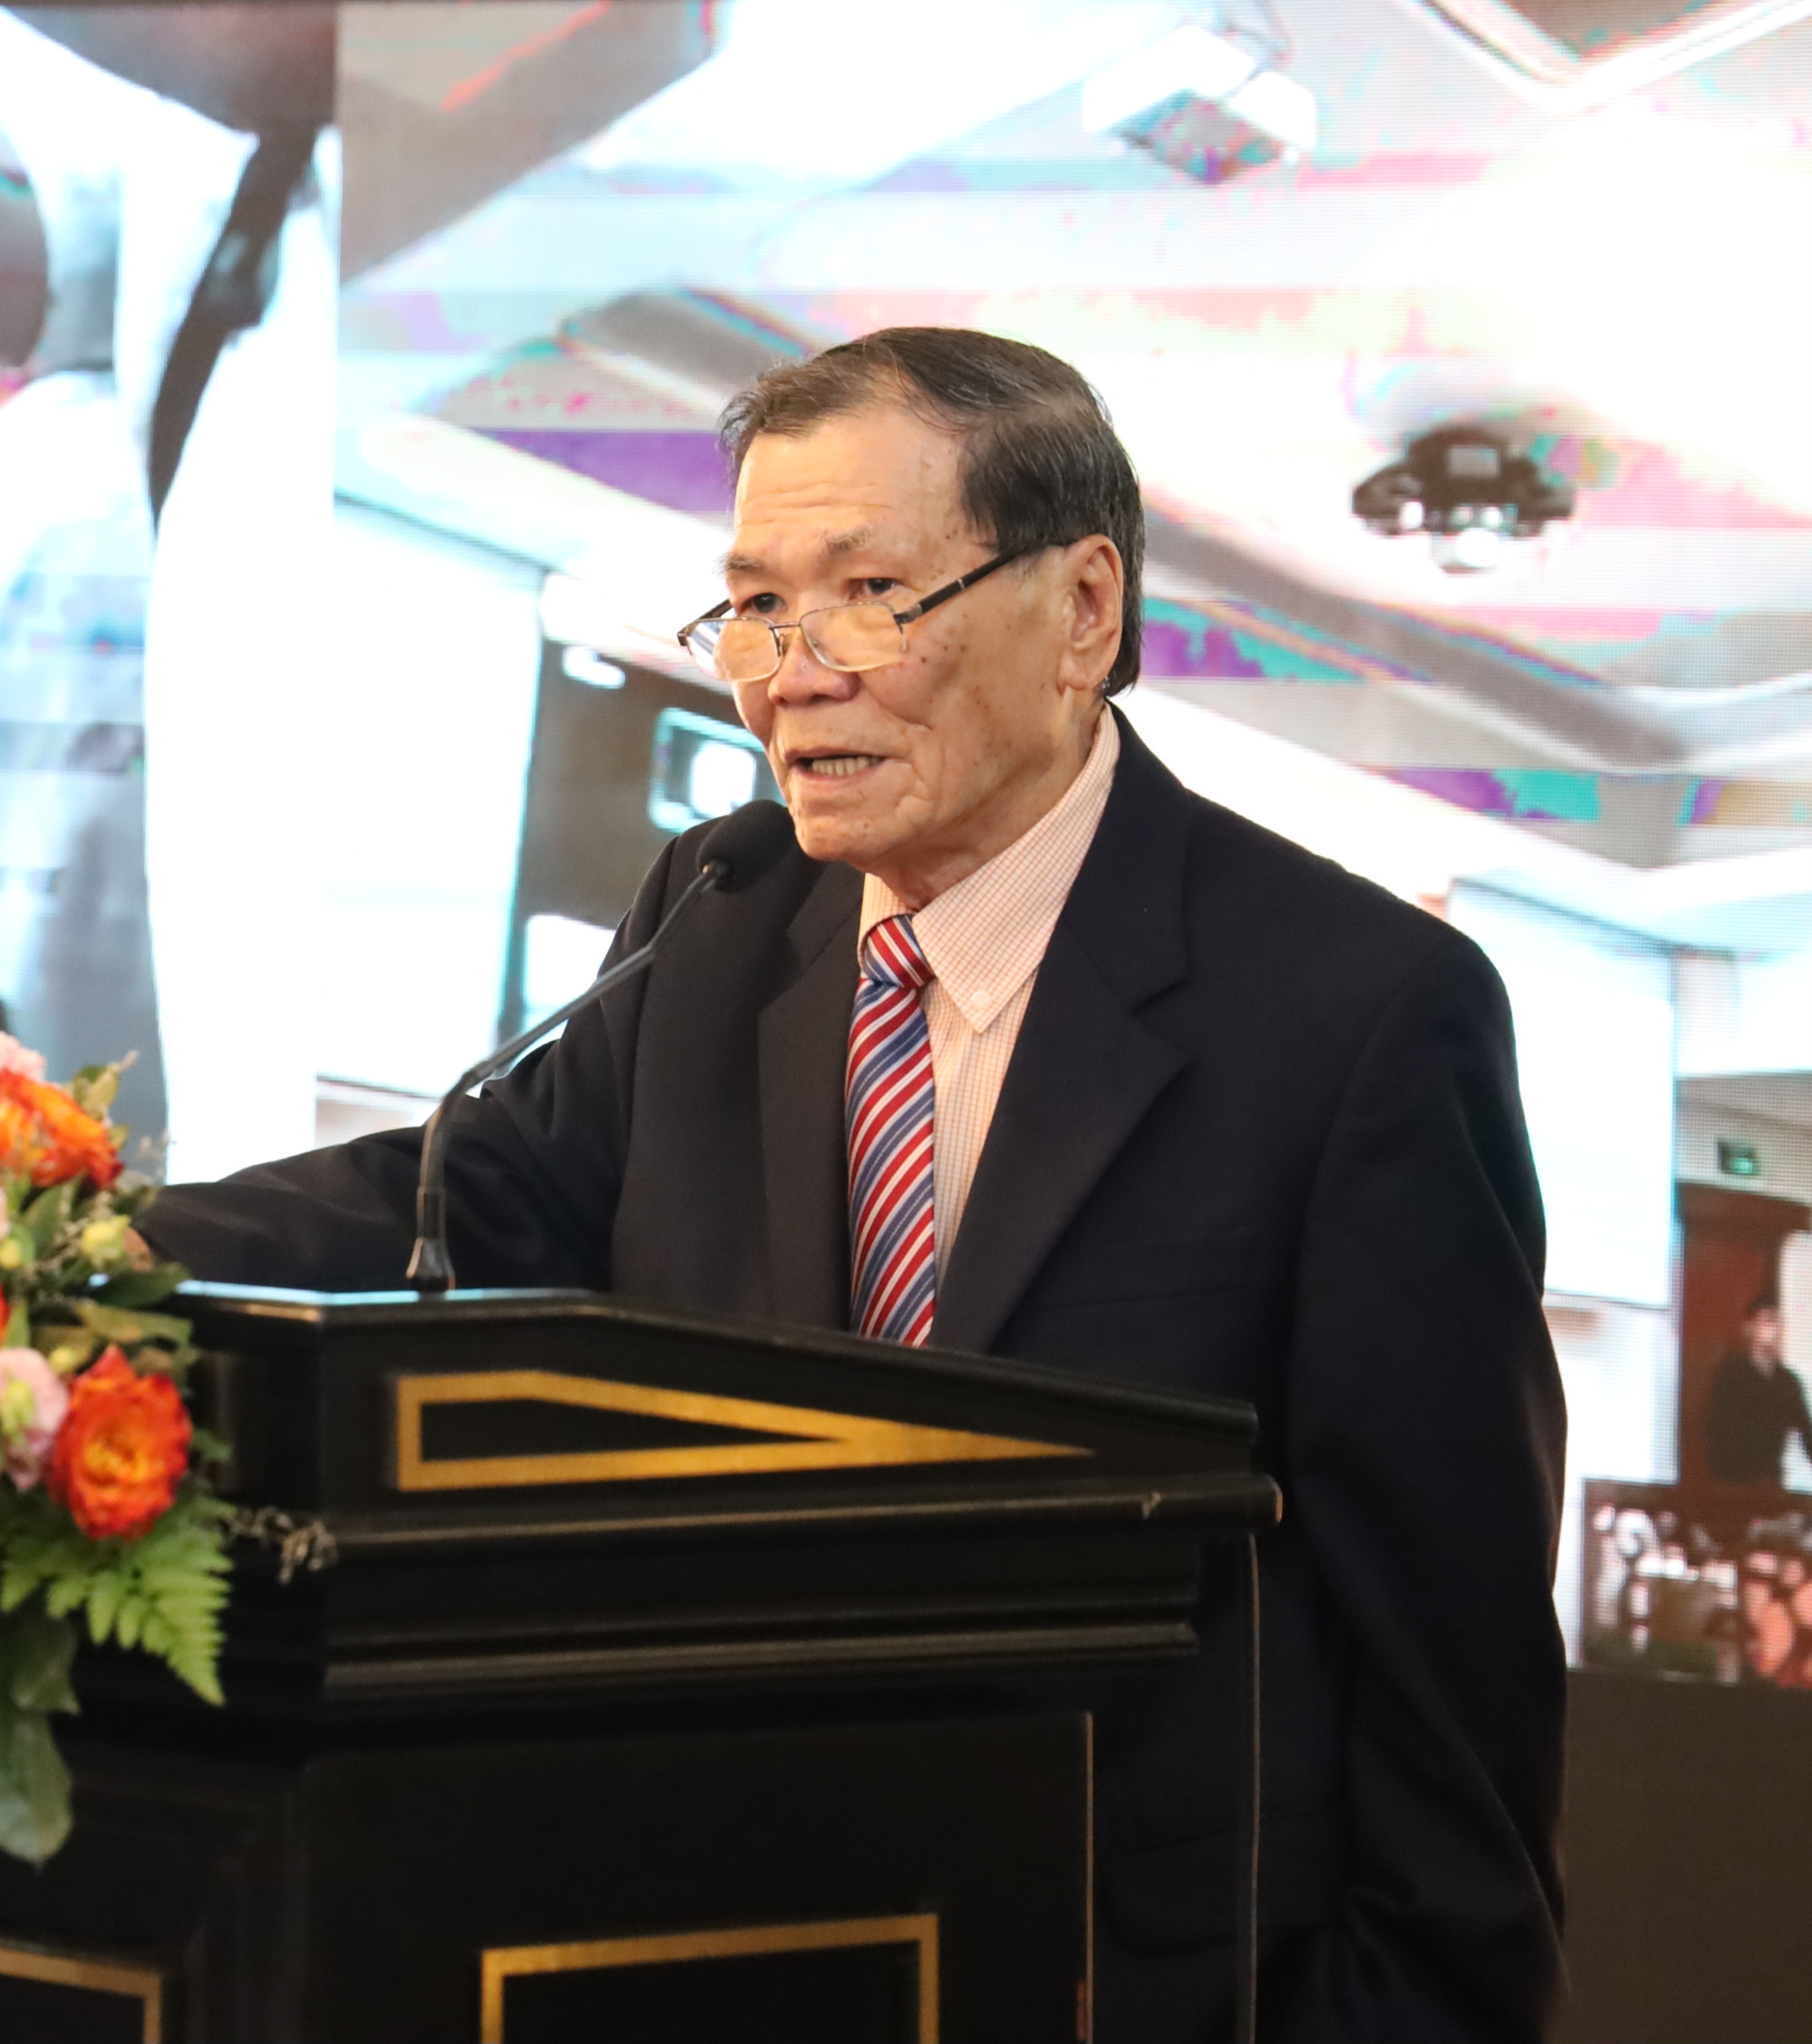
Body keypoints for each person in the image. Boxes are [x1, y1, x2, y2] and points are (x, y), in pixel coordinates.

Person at [142, 328, 1567, 2041]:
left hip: (1137, 1980)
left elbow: (1450, 1664)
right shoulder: (722, 914)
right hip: (724, 1942)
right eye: (753, 605)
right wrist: (56, 1227)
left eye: (867, 596)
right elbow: (450, 1200)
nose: (785, 676)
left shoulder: (1352, 1010)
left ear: (1082, 611)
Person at [1704, 1295, 1812, 1486]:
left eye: (1778, 1323)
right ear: (1750, 1328)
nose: (1774, 1330)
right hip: (1731, 1481)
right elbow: (1714, 1429)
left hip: (1770, 1481)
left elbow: (1806, 1433)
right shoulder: (1731, 1376)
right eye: (1768, 1321)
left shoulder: (1788, 1382)